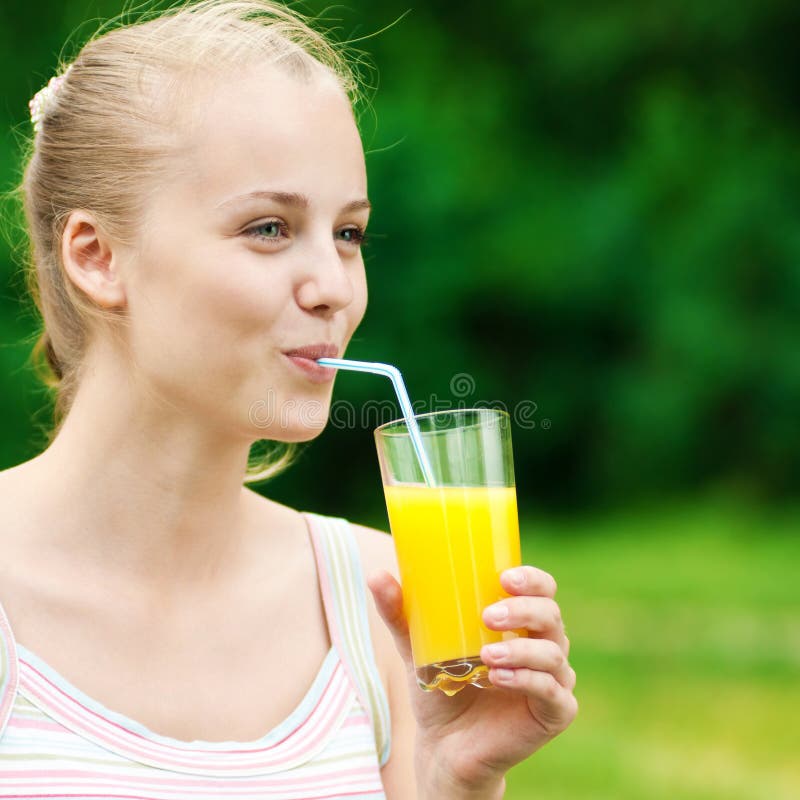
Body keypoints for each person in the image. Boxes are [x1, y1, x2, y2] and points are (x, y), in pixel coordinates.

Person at [0, 1, 577, 797]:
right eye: (270, 228)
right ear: (98, 258)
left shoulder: (392, 611)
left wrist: (457, 779)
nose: (334, 288)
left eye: (349, 233)